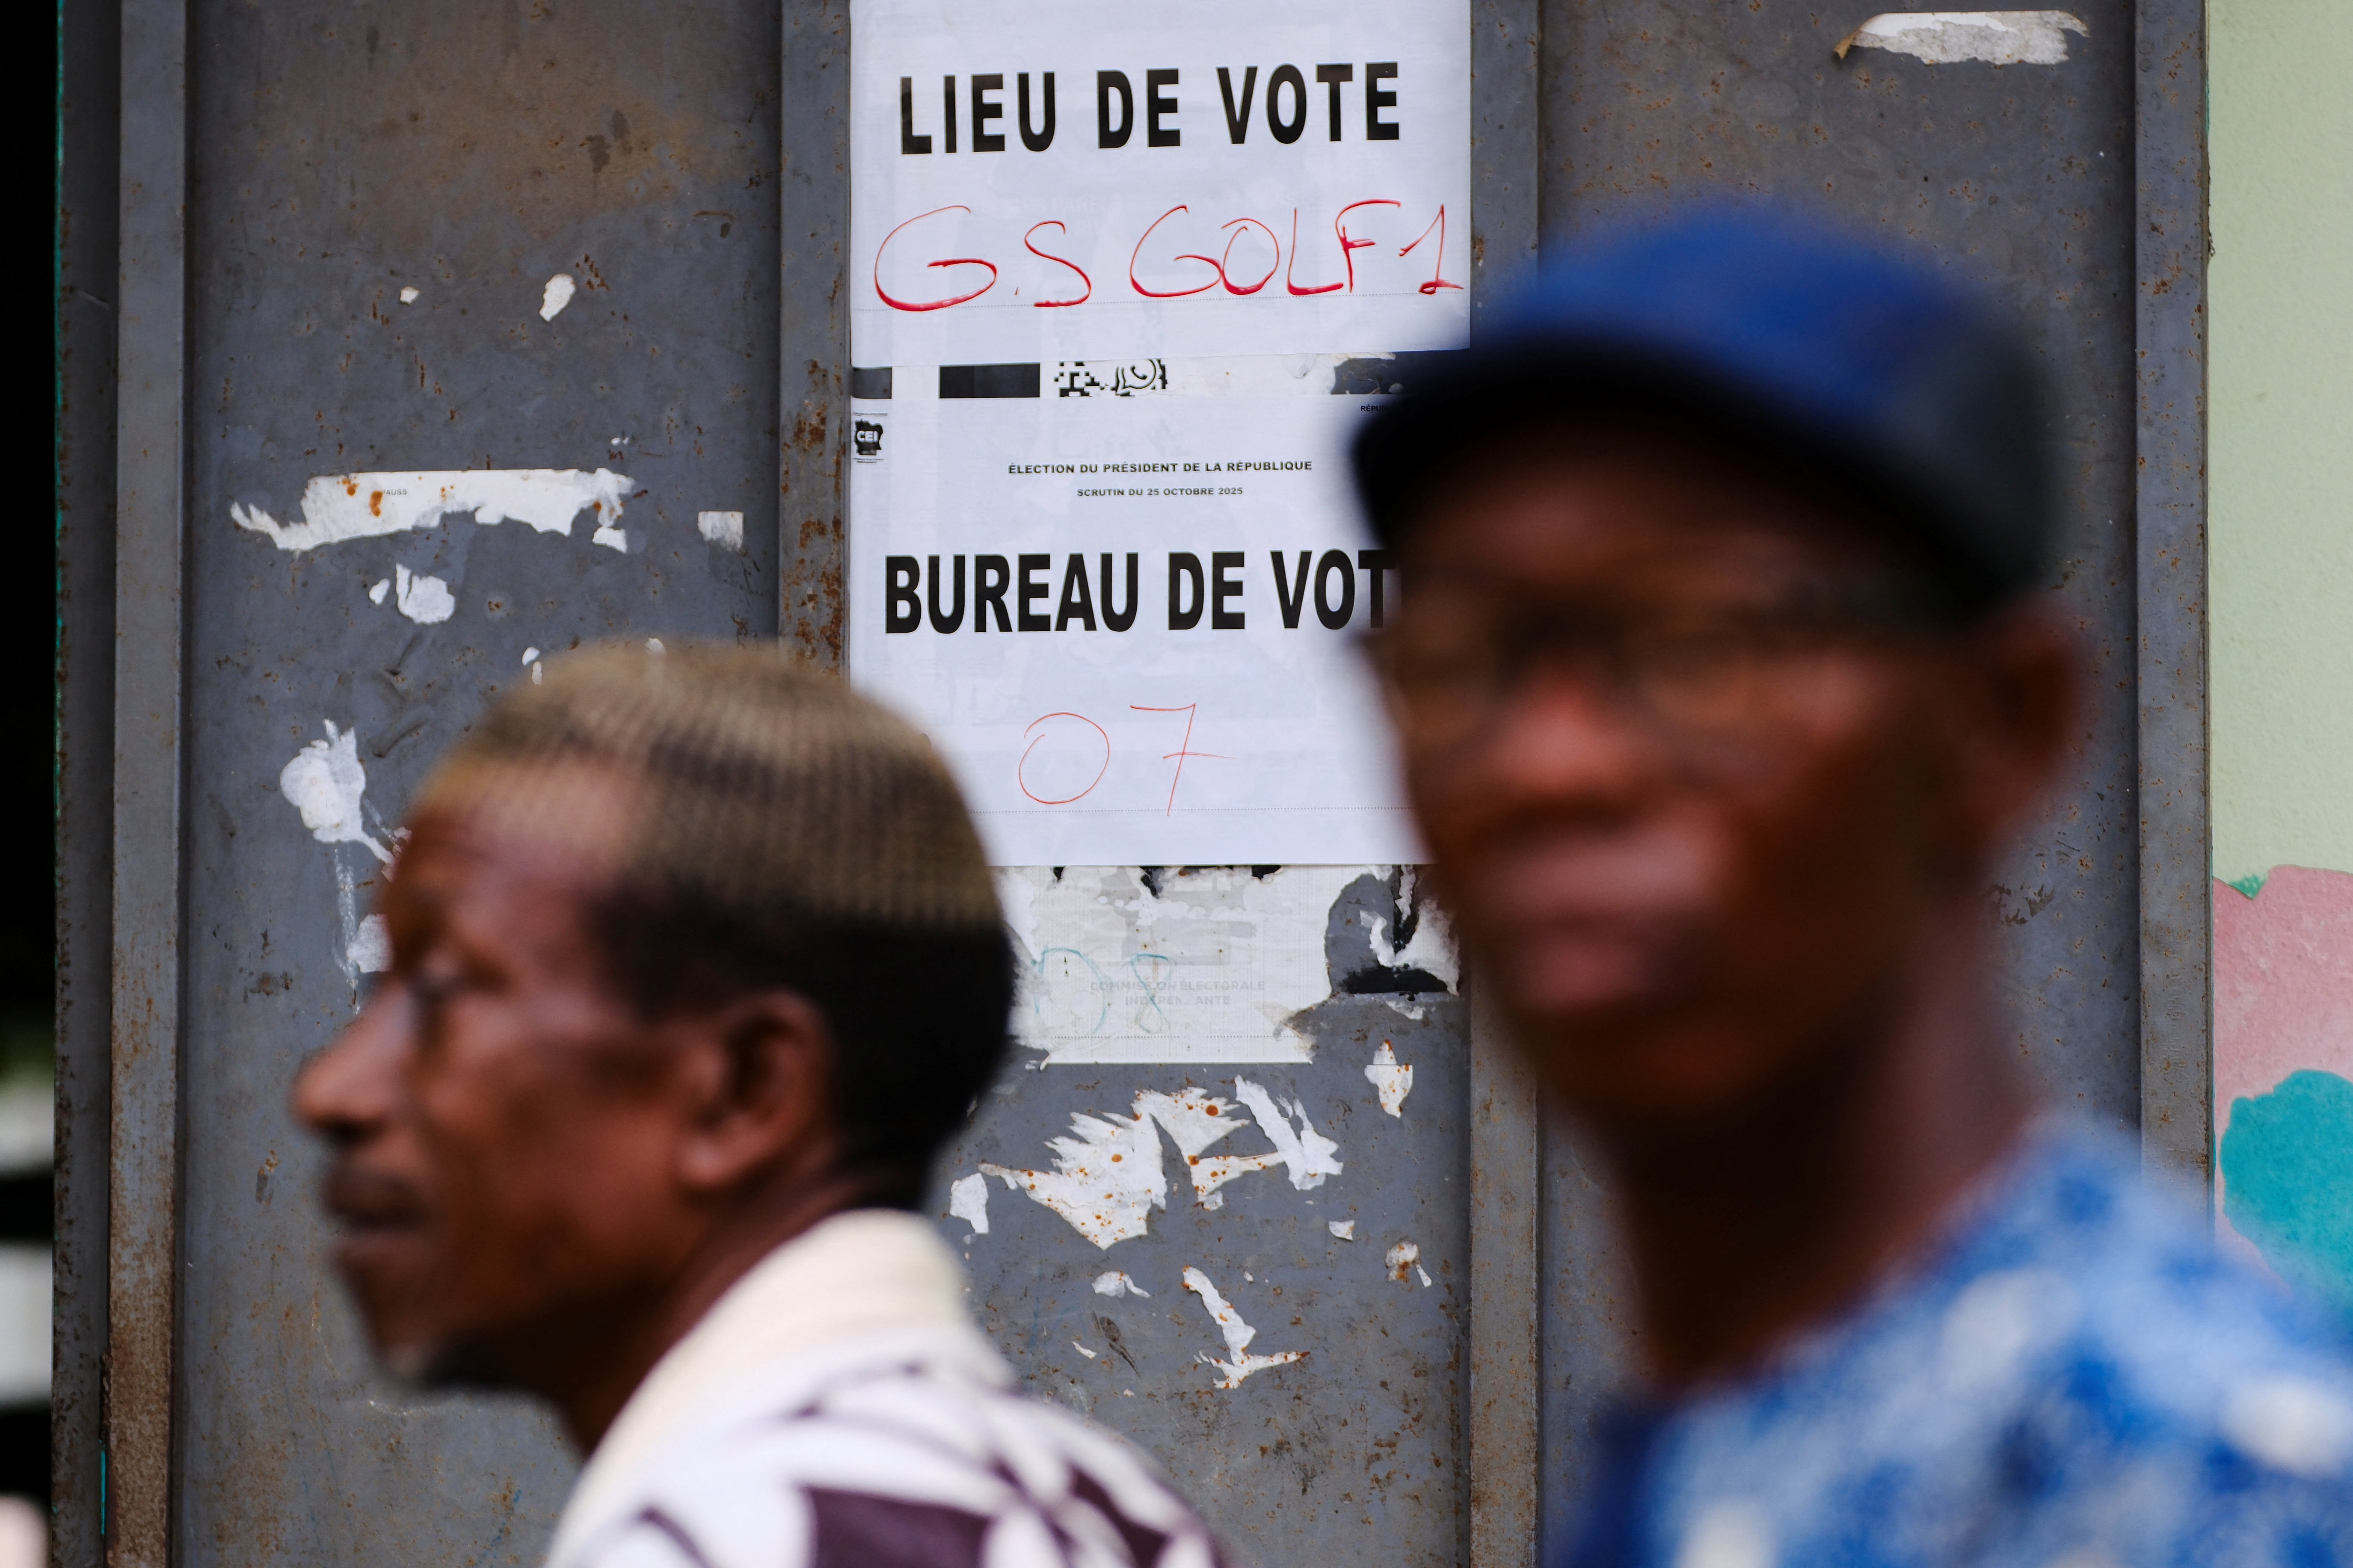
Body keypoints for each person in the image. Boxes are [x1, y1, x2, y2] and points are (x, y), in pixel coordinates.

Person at [1354, 211, 2353, 1566]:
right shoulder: (1720, 1435)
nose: (1546, 763)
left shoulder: (2196, 1479)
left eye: (1705, 646)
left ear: (2000, 724)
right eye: (1461, 655)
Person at [294, 642, 1226, 1568]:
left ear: (746, 1092)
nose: (330, 1092)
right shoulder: (1121, 1511)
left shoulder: (738, 1537)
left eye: (445, 993)